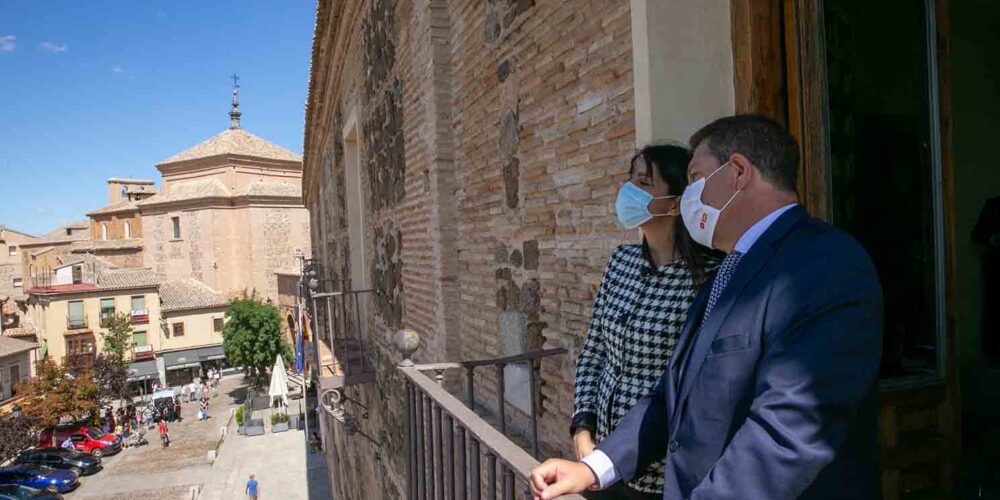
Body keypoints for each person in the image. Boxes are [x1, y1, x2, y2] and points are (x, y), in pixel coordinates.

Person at [530, 115, 884, 500]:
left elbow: (787, 432)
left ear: (738, 172)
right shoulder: (730, 269)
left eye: (696, 179)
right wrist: (594, 468)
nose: (690, 198)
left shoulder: (824, 264)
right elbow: (675, 392)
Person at [572, 144, 712, 499]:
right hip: (601, 454)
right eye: (629, 181)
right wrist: (583, 424)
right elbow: (594, 351)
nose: (627, 193)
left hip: (661, 468)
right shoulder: (621, 261)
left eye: (643, 183)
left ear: (675, 201)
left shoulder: (708, 276)